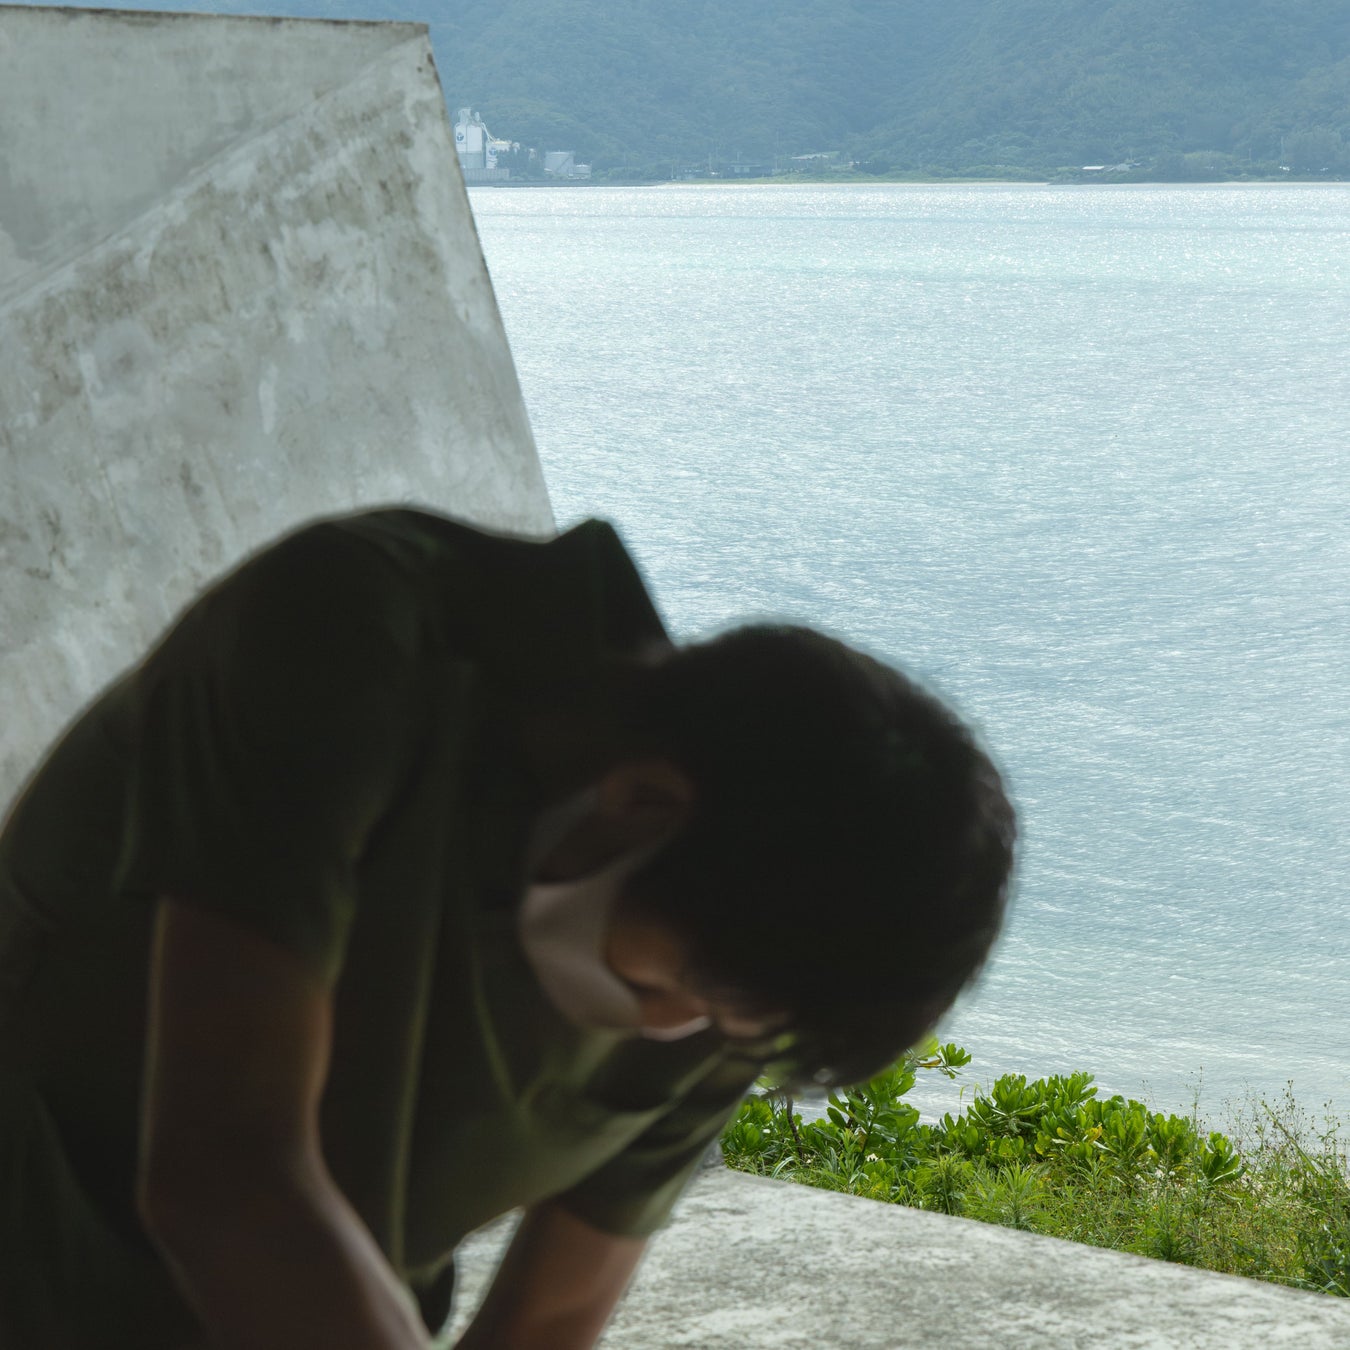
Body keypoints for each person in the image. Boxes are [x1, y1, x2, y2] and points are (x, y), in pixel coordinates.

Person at [0, 505, 1015, 1350]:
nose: (676, 1033)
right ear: (640, 802)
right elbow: (225, 1172)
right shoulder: (350, 640)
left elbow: (551, 1319)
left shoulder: (751, 964)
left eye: (728, 1028)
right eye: (674, 990)